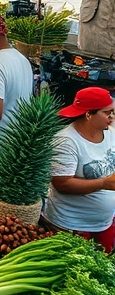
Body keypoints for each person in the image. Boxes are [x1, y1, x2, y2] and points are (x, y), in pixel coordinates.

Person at [42, 87, 115, 252]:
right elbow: (63, 183)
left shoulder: (110, 134)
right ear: (89, 114)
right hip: (72, 225)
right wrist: (103, 183)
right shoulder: (66, 141)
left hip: (104, 223)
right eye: (107, 113)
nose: (111, 117)